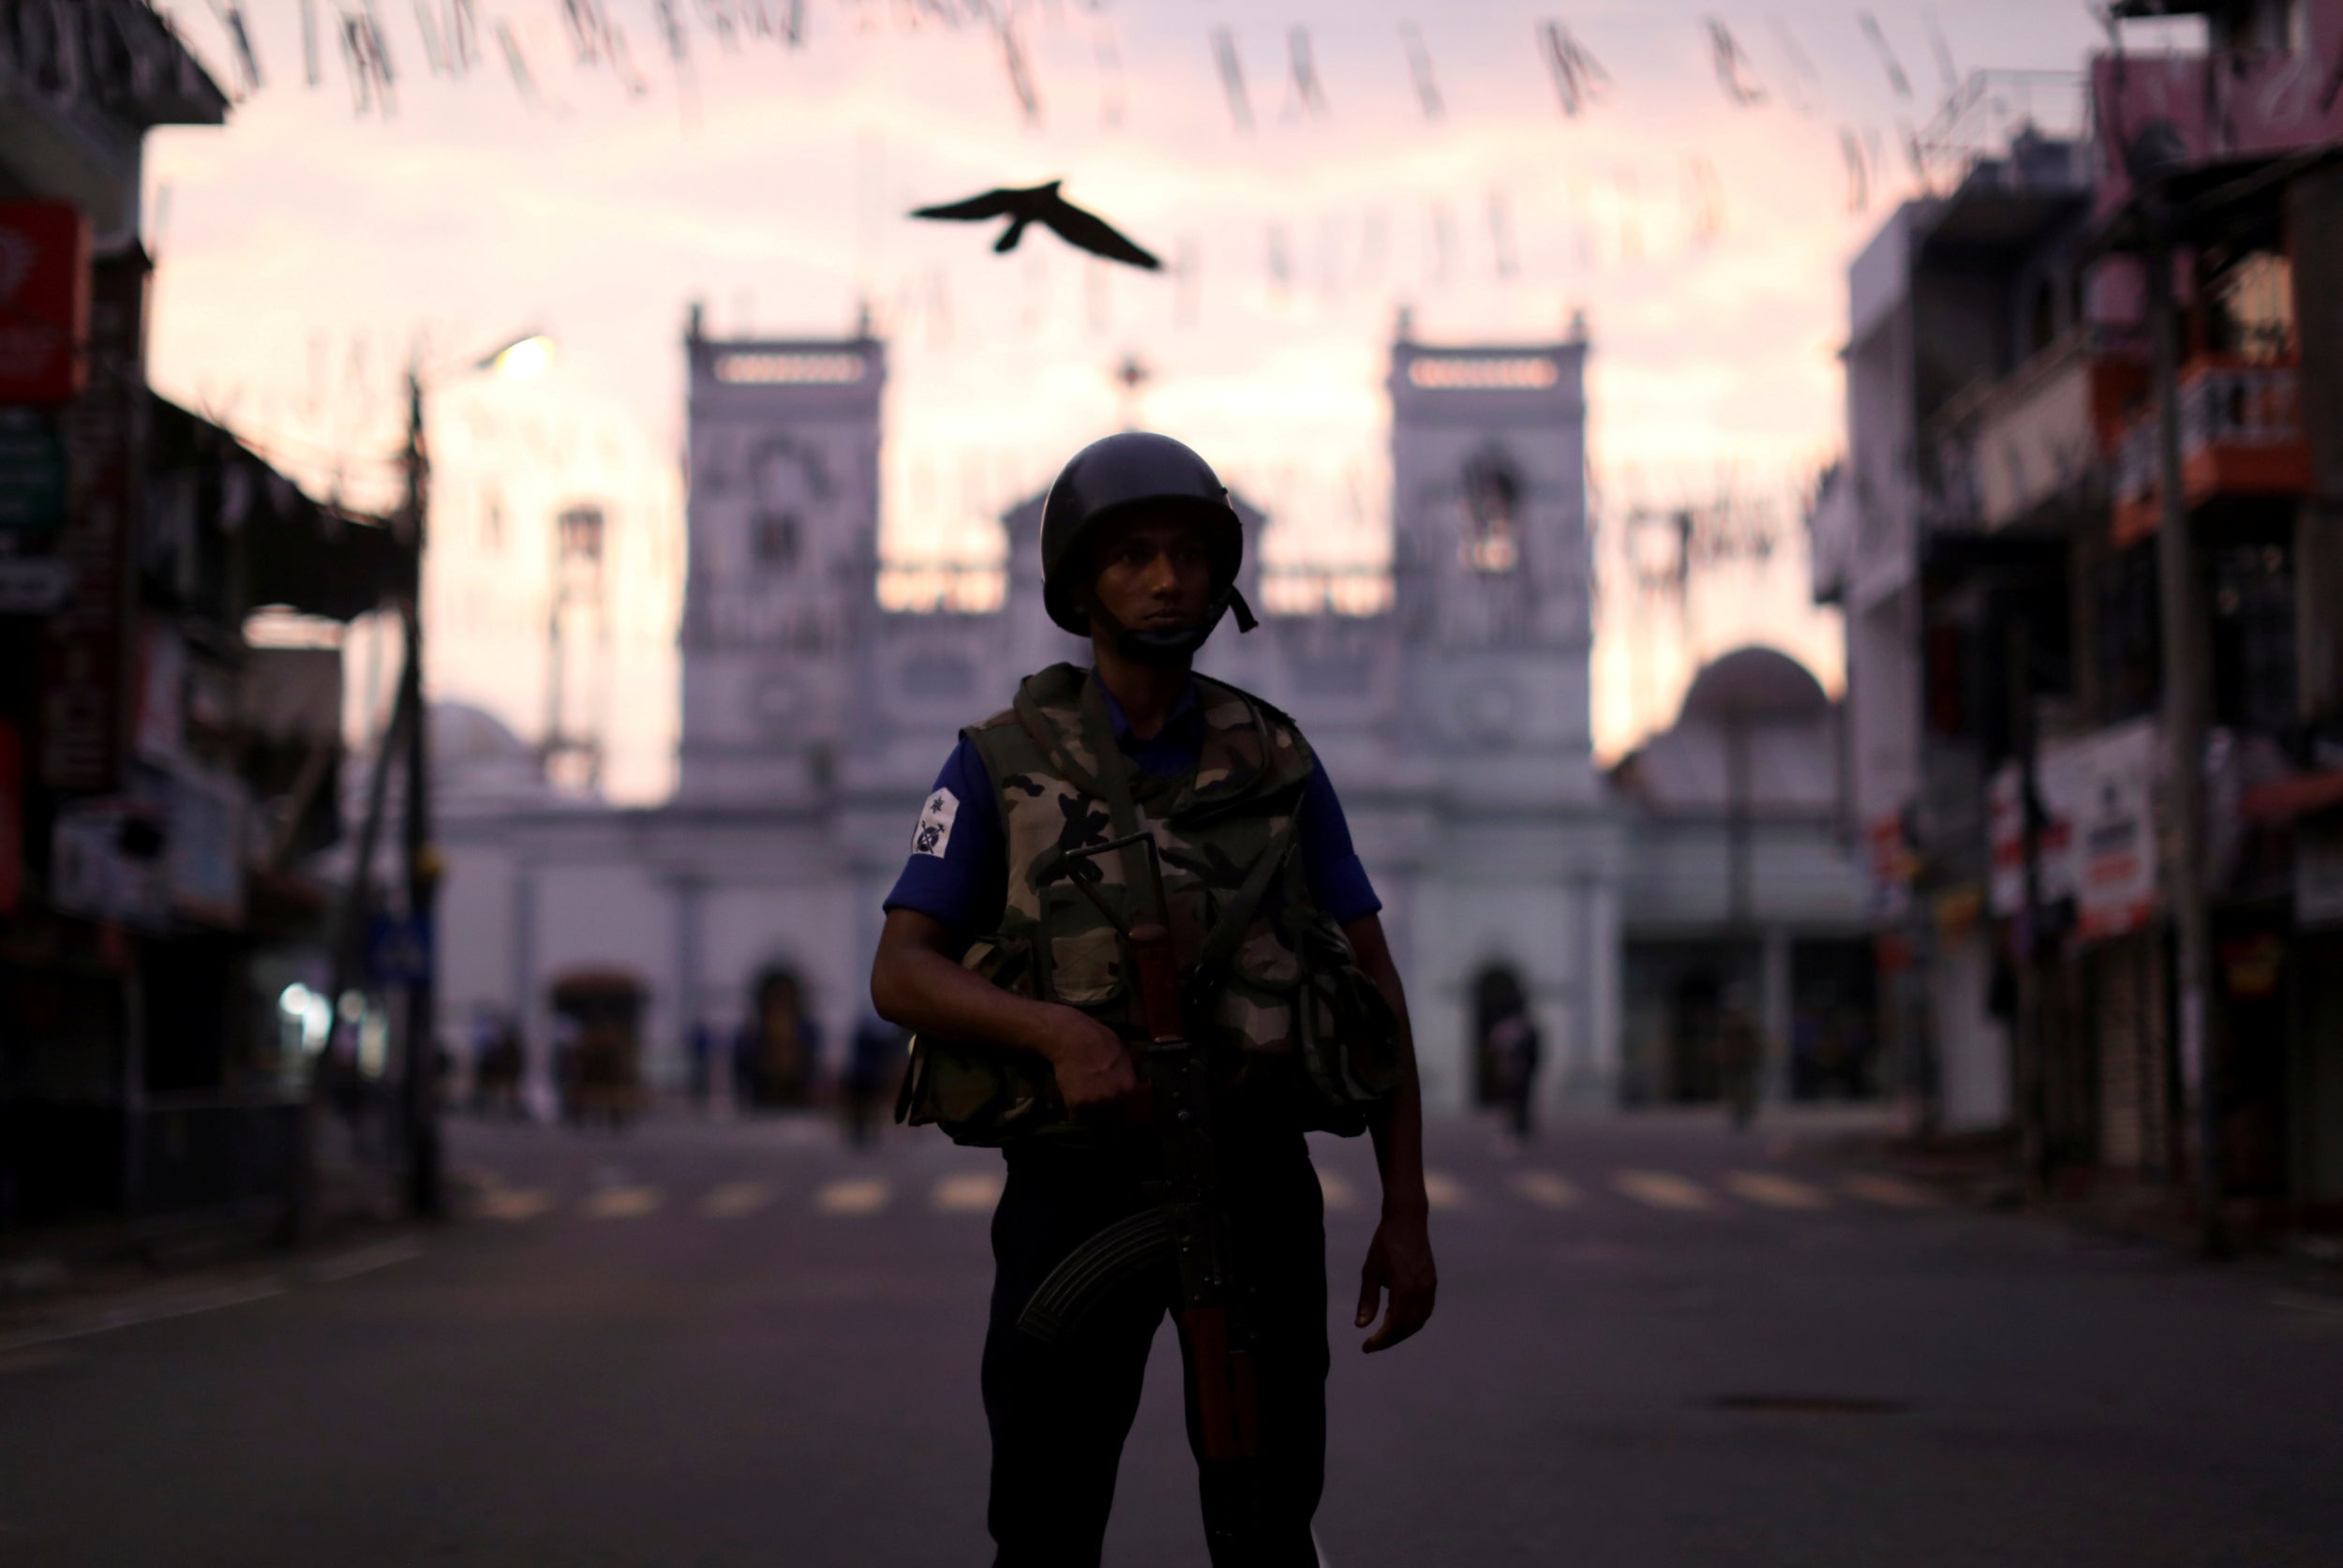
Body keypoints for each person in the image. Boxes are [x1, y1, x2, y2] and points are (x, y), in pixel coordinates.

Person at [869, 431, 1436, 1567]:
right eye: (1132, 555)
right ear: (1079, 584)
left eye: (1189, 553)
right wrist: (1055, 1029)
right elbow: (901, 970)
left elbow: (1374, 987)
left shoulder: (1275, 756)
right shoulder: (998, 760)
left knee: (1269, 1522)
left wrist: (1405, 1210)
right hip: (1074, 1188)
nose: (1168, 578)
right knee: (1044, 1516)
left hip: (1255, 1183)